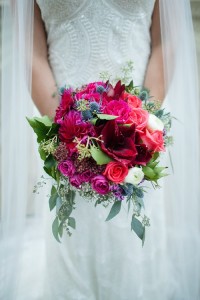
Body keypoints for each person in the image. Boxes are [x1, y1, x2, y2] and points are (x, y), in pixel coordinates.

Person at [1, 0, 200, 299]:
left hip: (139, 129)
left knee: (134, 246)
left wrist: (140, 128)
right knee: (74, 239)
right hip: (64, 132)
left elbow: (166, 41)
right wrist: (70, 137)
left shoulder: (140, 129)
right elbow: (30, 51)